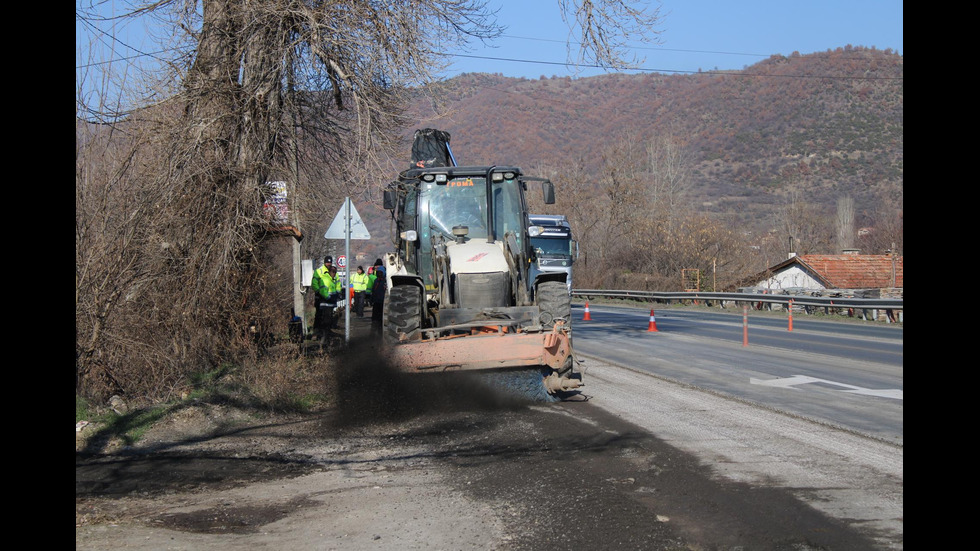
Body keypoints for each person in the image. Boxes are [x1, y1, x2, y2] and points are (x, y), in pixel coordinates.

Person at [311, 256, 341, 344]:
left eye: (330, 262)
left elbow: (337, 283)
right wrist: (319, 292)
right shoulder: (319, 271)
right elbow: (314, 283)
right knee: (319, 315)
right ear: (324, 262)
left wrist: (337, 293)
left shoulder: (334, 272)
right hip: (320, 297)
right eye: (327, 262)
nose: (328, 264)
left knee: (328, 316)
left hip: (331, 299)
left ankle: (325, 333)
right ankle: (316, 332)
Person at [370, 259, 386, 335]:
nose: (379, 274)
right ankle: (372, 333)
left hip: (383, 302)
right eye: (378, 272)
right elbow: (374, 290)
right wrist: (372, 298)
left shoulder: (385, 281)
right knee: (374, 319)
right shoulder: (376, 281)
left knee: (380, 320)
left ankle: (380, 333)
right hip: (376, 302)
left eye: (380, 272)